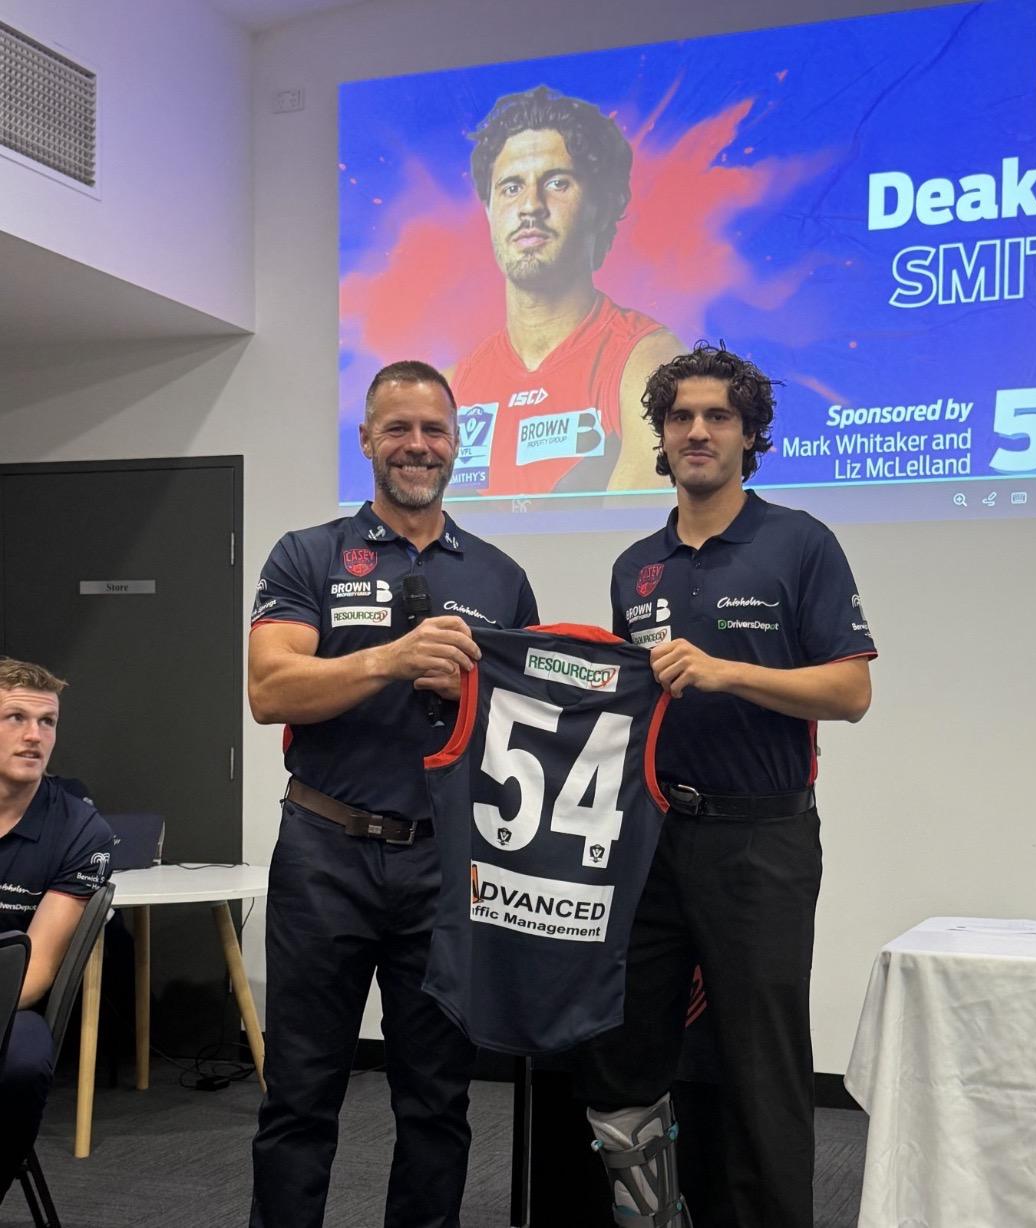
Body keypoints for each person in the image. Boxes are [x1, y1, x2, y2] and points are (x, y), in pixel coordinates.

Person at [576, 344, 877, 1228]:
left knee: (760, 1065)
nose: (697, 432)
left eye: (717, 417)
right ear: (661, 437)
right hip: (652, 842)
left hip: (761, 842)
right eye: (680, 418)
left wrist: (726, 673)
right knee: (626, 1049)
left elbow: (850, 692)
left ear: (749, 435)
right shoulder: (635, 565)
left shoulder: (799, 542)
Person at [248, 360, 538, 1228]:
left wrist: (475, 696)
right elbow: (269, 690)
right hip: (324, 855)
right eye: (399, 429)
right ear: (368, 439)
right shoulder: (308, 554)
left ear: (458, 443)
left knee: (437, 1099)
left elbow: (525, 728)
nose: (417, 446)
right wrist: (390, 659)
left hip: (444, 863)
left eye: (434, 430)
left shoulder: (499, 576)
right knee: (300, 1093)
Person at [450, 85, 683, 497]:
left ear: (601, 207)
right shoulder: (451, 388)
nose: (530, 206)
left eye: (557, 183)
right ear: (489, 211)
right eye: (511, 187)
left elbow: (636, 534)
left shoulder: (647, 363)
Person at [0, 658, 113, 1204]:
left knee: (22, 1064)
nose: (34, 736)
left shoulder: (80, 829)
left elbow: (36, 971)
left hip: (10, 1003)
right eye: (15, 718)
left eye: (47, 722)